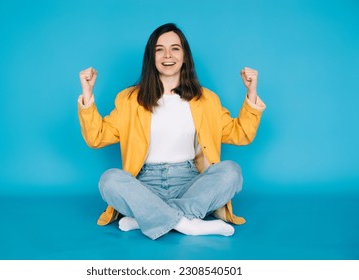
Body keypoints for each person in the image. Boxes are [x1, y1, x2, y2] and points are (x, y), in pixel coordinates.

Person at [77, 23, 266, 240]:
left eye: (175, 48)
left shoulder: (207, 100)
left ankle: (147, 218)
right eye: (160, 49)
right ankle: (189, 224)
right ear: (152, 57)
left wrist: (251, 93)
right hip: (144, 185)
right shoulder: (129, 99)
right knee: (109, 180)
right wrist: (87, 94)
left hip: (190, 184)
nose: (168, 55)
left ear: (185, 56)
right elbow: (96, 137)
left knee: (231, 171)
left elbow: (240, 133)